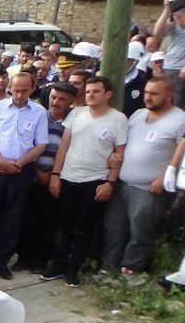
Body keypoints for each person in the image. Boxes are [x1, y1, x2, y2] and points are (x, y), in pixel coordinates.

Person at [42, 77, 128, 287]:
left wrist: (110, 182)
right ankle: (58, 265)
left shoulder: (118, 120)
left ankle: (74, 269)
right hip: (68, 177)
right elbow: (63, 146)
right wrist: (55, 174)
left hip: (94, 180)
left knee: (84, 228)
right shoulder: (76, 114)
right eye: (88, 91)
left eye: (96, 91)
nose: (90, 95)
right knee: (63, 225)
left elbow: (119, 154)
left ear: (108, 94)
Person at [101, 76, 185, 274]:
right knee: (114, 227)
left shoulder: (181, 120)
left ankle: (131, 268)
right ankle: (108, 266)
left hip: (150, 187)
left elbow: (184, 154)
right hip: (123, 182)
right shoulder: (138, 115)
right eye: (146, 92)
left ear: (170, 96)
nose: (147, 97)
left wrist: (167, 177)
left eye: (154, 93)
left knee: (140, 230)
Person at [0, 72, 49, 280]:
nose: (19, 95)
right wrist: (1, 161)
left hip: (22, 169)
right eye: (16, 90)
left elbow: (41, 144)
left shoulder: (39, 112)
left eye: (24, 91)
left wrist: (18, 163)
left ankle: (2, 261)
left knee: (13, 216)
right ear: (10, 88)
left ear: (32, 88)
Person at [15, 82, 77, 272]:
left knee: (49, 222)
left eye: (61, 99)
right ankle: (23, 258)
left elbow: (70, 151)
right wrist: (36, 171)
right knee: (27, 219)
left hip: (55, 178)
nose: (56, 102)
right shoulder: (39, 116)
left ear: (71, 102)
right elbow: (27, 145)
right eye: (53, 97)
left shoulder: (73, 121)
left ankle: (40, 261)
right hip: (31, 173)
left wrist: (52, 174)